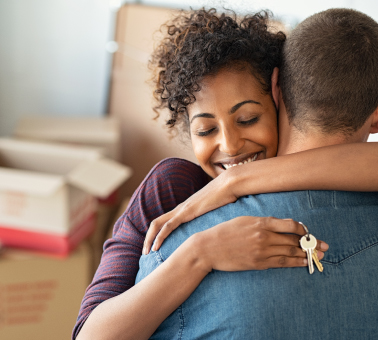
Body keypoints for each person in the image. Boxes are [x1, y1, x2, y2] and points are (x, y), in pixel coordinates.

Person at [73, 9, 378, 340]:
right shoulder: (171, 191)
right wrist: (199, 254)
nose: (231, 146)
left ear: (277, 95)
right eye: (205, 130)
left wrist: (238, 181)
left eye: (247, 119)